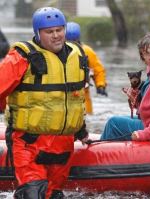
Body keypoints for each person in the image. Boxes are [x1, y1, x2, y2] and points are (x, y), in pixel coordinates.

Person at [0, 7, 89, 199]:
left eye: (59, 30)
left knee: (53, 195)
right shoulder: (21, 57)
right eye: (49, 32)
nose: (56, 35)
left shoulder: (79, 55)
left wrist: (81, 130)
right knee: (32, 194)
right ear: (38, 33)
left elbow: (76, 99)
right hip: (29, 144)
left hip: (63, 146)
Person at [66, 21, 107, 114]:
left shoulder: (87, 51)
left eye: (73, 41)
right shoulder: (57, 51)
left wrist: (100, 85)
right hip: (64, 95)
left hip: (83, 95)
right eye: (68, 41)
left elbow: (98, 70)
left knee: (87, 118)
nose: (71, 44)